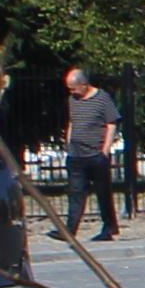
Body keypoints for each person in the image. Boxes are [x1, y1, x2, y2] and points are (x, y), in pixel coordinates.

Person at [55, 66, 125, 242]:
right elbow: (72, 122)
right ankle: (69, 231)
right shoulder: (73, 100)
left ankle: (109, 228)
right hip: (76, 155)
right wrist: (69, 142)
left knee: (103, 193)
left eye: (74, 88)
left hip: (95, 154)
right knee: (76, 192)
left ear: (84, 84)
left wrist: (105, 151)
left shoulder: (102, 99)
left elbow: (111, 124)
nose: (71, 92)